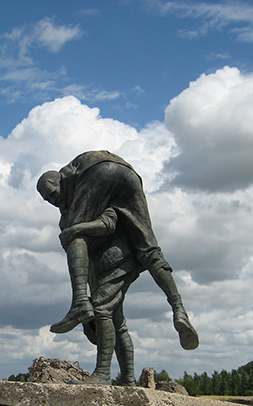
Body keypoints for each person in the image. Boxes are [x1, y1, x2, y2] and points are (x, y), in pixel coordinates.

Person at [38, 151, 198, 385]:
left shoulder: (76, 182)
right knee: (149, 249)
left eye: (52, 194)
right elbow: (109, 221)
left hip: (98, 170)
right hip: (129, 174)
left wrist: (75, 230)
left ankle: (82, 309)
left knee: (72, 236)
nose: (53, 201)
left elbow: (84, 227)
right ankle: (178, 310)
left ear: (58, 182)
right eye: (48, 200)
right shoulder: (103, 202)